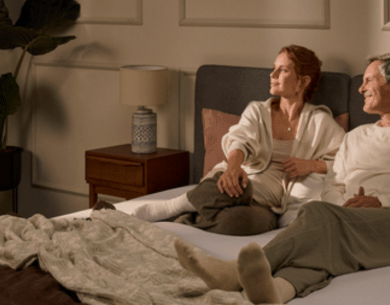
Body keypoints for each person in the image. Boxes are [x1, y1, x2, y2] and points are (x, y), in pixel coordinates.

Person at [175, 53, 390, 304]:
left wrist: (380, 202)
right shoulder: (355, 137)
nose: (361, 88)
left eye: (368, 80)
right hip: (354, 221)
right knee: (326, 243)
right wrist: (343, 210)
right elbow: (333, 186)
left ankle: (235, 271)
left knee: (317, 214)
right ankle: (278, 291)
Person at [113, 45, 346, 235]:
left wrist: (312, 165)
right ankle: (168, 208)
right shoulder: (257, 111)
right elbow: (239, 139)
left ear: (303, 82)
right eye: (273, 68)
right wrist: (234, 167)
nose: (272, 75)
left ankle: (184, 218)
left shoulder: (320, 123)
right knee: (239, 187)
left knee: (237, 223)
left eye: (282, 70)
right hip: (239, 182)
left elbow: (347, 160)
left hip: (270, 206)